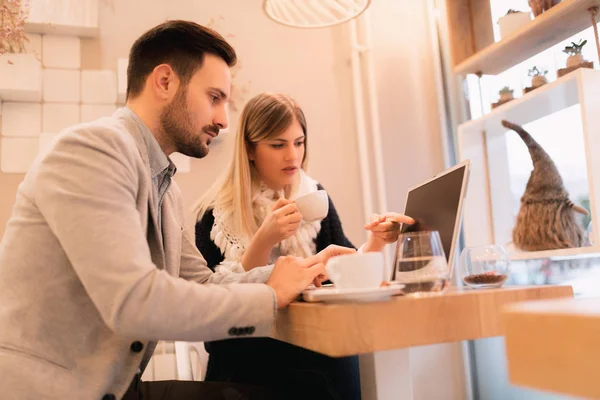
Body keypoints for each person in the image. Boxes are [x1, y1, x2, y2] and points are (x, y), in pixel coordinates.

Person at [0, 21, 353, 400]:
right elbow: (134, 301)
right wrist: (270, 295)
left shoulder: (166, 188)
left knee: (312, 387)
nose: (223, 120)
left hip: (117, 389)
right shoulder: (93, 150)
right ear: (165, 81)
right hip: (53, 392)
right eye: (214, 97)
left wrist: (291, 273)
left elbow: (199, 284)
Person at [194, 92, 414, 400]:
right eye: (278, 144)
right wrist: (263, 240)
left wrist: (376, 241)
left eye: (299, 142)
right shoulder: (215, 215)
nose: (292, 156)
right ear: (250, 150)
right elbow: (214, 320)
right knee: (329, 368)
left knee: (342, 356)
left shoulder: (313, 197)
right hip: (243, 359)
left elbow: (344, 273)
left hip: (312, 348)